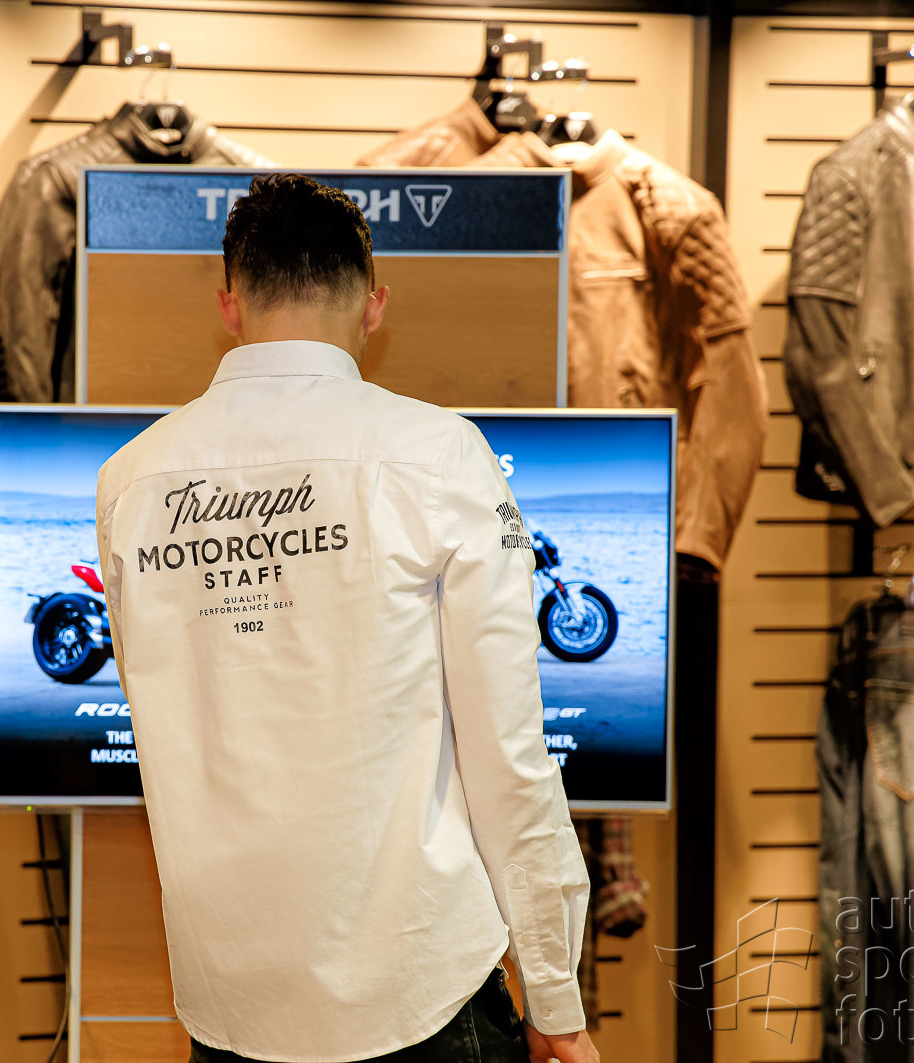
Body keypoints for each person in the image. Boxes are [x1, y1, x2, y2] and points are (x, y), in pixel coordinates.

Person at [95, 173, 598, 1063]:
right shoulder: (437, 454)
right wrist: (553, 994)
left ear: (228, 303)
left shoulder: (131, 478)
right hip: (417, 991)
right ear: (373, 304)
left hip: (230, 1008)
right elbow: (508, 752)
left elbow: (158, 719)